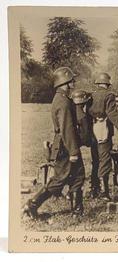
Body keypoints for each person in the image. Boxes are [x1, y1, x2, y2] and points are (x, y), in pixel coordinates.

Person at [23, 67, 85, 219]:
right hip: (65, 146)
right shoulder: (63, 102)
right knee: (59, 179)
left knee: (78, 176)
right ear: (66, 82)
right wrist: (73, 151)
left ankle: (77, 212)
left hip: (65, 144)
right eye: (72, 80)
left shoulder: (62, 98)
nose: (74, 82)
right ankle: (31, 204)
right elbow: (67, 128)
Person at [87, 72, 118, 200]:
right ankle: (104, 193)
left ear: (98, 83)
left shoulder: (91, 95)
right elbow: (112, 112)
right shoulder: (109, 95)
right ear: (107, 84)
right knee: (105, 160)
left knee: (95, 160)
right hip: (103, 130)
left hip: (92, 131)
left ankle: (94, 188)